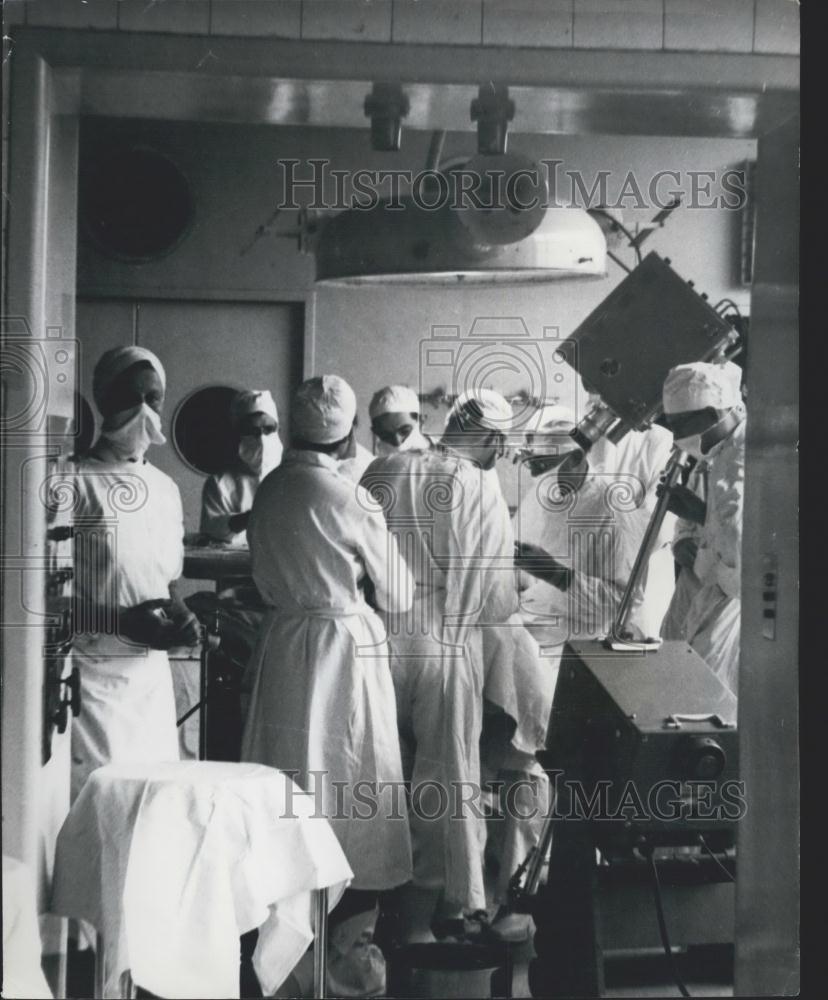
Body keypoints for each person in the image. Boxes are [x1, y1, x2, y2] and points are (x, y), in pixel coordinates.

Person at [241, 375, 414, 932]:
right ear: (347, 437)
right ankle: (346, 923)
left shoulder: (270, 489)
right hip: (343, 645)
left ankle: (285, 926)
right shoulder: (349, 497)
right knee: (348, 772)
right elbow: (400, 593)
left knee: (288, 771)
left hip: (285, 644)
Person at [362, 388, 518, 943]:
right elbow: (497, 598)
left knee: (380, 771)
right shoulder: (478, 484)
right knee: (446, 774)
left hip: (378, 636)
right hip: (445, 638)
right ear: (492, 440)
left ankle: (373, 902)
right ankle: (441, 909)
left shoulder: (381, 467)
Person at [47, 346, 200, 801]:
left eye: (153, 399)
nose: (143, 411)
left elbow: (164, 580)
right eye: (129, 398)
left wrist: (181, 614)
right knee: (102, 806)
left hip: (149, 678)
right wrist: (119, 622)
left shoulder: (165, 489)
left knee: (153, 808)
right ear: (103, 400)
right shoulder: (71, 483)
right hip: (93, 681)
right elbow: (46, 599)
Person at [659, 361, 746, 694]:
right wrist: (688, 527)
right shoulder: (717, 450)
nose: (679, 436)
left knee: (705, 684)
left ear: (714, 412)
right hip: (705, 576)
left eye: (683, 424)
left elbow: (742, 541)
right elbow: (704, 519)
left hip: (734, 591)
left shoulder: (745, 459)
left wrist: (701, 514)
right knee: (677, 660)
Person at [199, 389, 282, 546]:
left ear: (278, 430)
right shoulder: (219, 484)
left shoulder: (292, 478)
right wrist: (250, 518)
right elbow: (212, 531)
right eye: (252, 431)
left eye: (268, 429)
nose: (262, 438)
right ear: (238, 435)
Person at [368, 384, 432, 456]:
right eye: (387, 435)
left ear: (421, 421)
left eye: (404, 431)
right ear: (375, 432)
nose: (397, 442)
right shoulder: (373, 465)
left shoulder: (443, 460)